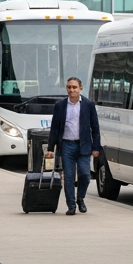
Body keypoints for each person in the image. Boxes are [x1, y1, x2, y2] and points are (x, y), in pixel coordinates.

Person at [47, 77, 101, 215]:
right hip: (66, 145)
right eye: (69, 87)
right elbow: (54, 128)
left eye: (74, 87)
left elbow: (95, 128)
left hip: (83, 145)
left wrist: (96, 147)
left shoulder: (88, 105)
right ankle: (71, 205)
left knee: (85, 174)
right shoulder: (60, 106)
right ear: (66, 88)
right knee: (69, 177)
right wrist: (50, 148)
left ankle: (80, 198)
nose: (72, 90)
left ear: (80, 88)